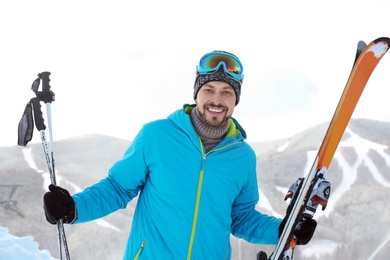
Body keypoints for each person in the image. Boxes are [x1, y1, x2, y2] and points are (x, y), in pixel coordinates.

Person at [43, 50, 316, 259]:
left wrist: (283, 230)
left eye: (226, 92)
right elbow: (117, 188)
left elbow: (241, 217)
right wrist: (73, 208)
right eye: (208, 90)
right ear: (197, 94)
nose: (216, 100)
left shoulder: (243, 157)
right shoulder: (157, 135)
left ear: (236, 99)